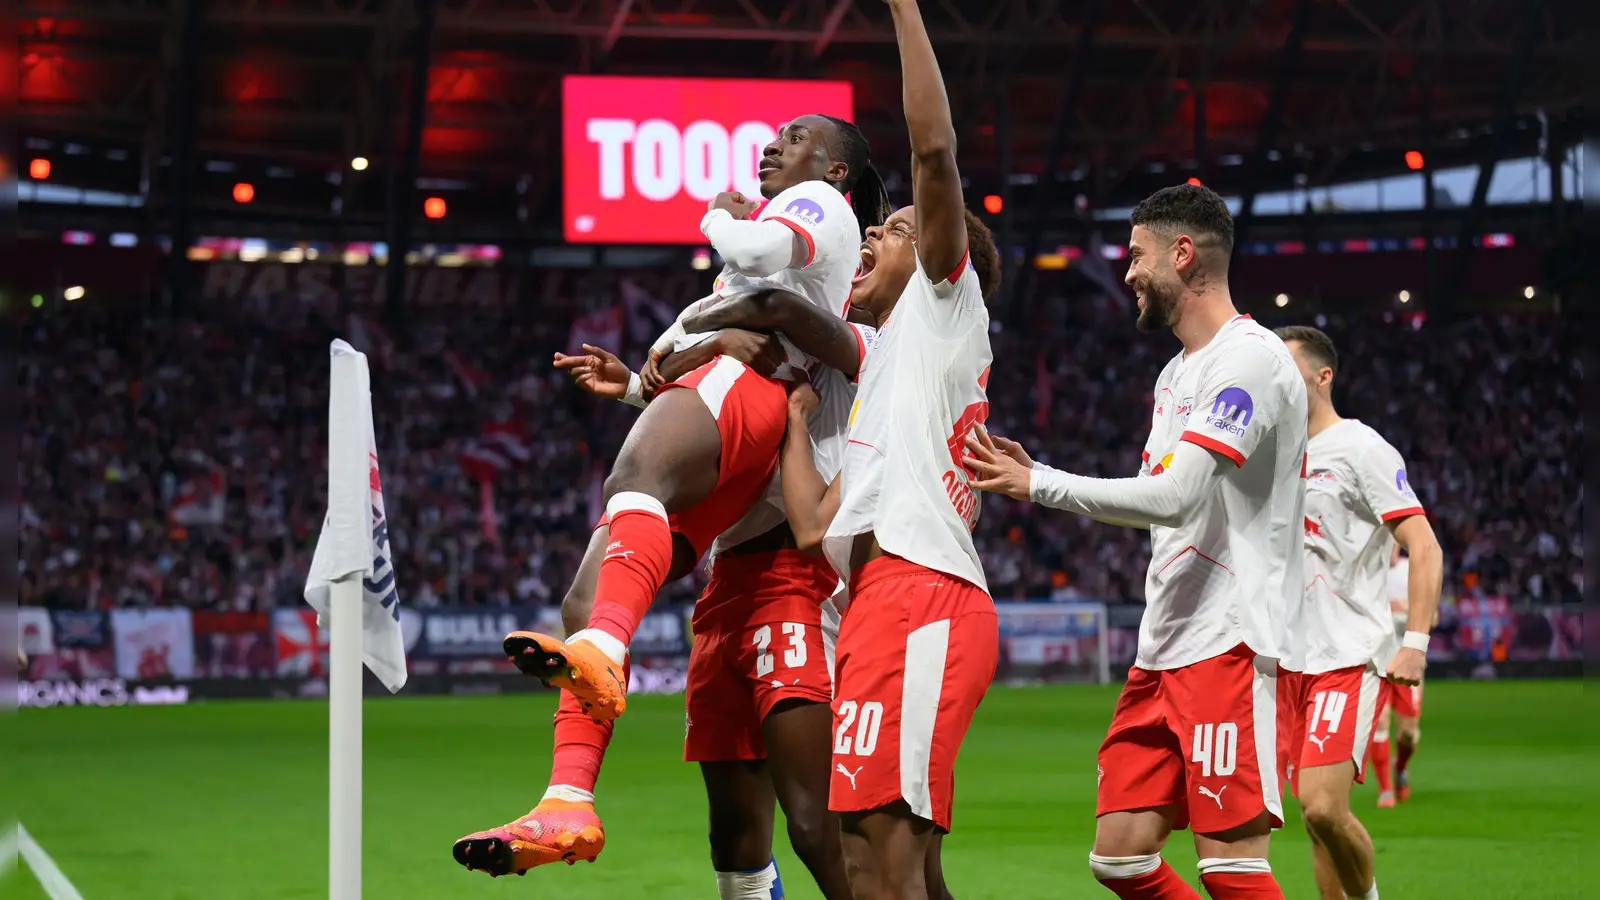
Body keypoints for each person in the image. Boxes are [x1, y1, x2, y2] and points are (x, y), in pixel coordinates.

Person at [452, 113, 891, 887]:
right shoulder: (802, 283)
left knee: (816, 828)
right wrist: (646, 375)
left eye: (797, 137)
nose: (775, 144)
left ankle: (603, 658)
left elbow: (758, 287)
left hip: (792, 570)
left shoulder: (825, 226)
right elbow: (720, 333)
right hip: (734, 558)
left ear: (836, 174)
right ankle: (567, 797)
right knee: (586, 603)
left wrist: (718, 215)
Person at [708, 2, 1005, 895]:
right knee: (884, 854)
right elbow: (811, 527)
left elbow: (934, 150)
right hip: (874, 597)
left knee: (879, 857)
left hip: (922, 595)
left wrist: (904, 9)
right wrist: (798, 421)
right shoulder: (882, 374)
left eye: (899, 230)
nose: (875, 233)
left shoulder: (944, 310)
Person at [964, 183, 1307, 899]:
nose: (1127, 274)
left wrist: (1040, 483)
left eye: (1136, 255)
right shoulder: (1175, 374)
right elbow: (1160, 503)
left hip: (1231, 640)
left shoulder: (1250, 359)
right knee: (1119, 857)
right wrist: (1040, 476)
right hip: (1165, 646)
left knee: (1230, 866)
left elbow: (1177, 497)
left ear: (1182, 255)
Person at [1276, 324, 1442, 900]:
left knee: (1322, 806)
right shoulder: (1272, 455)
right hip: (1283, 661)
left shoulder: (1361, 448)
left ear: (1323, 376)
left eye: (1289, 371)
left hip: (1344, 654)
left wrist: (1414, 643)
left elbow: (1423, 544)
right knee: (1314, 823)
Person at [1370, 545, 1429, 808]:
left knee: (1408, 733)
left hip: (1406, 660)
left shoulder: (1412, 570)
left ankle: (1401, 766)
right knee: (1380, 723)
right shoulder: (1368, 570)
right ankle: (1385, 789)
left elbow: (1433, 617)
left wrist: (1406, 609)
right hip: (1376, 660)